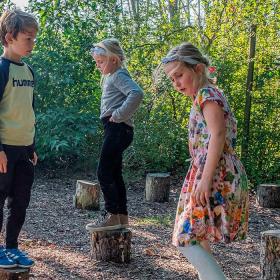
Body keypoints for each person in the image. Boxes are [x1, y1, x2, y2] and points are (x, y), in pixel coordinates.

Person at [160, 42, 249, 280]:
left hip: (217, 174)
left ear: (198, 69)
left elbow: (218, 134)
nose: (176, 83)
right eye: (172, 79)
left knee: (185, 237)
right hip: (206, 171)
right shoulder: (202, 95)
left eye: (179, 75)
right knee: (196, 237)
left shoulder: (208, 95)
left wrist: (205, 179)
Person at [86, 38, 143, 232]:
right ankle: (120, 217)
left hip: (118, 129)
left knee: (104, 172)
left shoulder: (118, 75)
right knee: (115, 173)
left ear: (113, 59)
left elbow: (136, 93)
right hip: (116, 130)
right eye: (96, 62)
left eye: (100, 62)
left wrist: (118, 115)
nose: (98, 65)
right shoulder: (113, 76)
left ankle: (111, 214)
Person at [0, 9, 38, 268]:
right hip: (4, 150)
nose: (32, 43)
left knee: (20, 202)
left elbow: (29, 111)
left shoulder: (29, 71)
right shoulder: (2, 70)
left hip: (25, 150)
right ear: (9, 37)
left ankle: (12, 247)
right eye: (28, 38)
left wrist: (32, 146)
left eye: (34, 38)